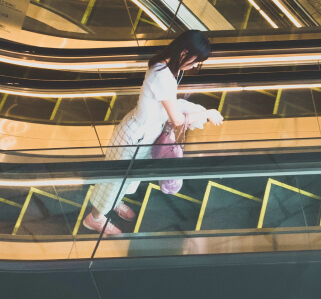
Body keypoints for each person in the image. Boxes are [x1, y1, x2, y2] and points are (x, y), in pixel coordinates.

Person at [83, 30, 223, 235]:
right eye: (194, 61)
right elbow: (176, 119)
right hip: (134, 137)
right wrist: (207, 113)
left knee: (126, 179)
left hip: (146, 135)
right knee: (114, 182)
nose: (194, 66)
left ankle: (114, 202)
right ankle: (94, 218)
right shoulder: (162, 75)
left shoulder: (165, 67)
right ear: (184, 53)